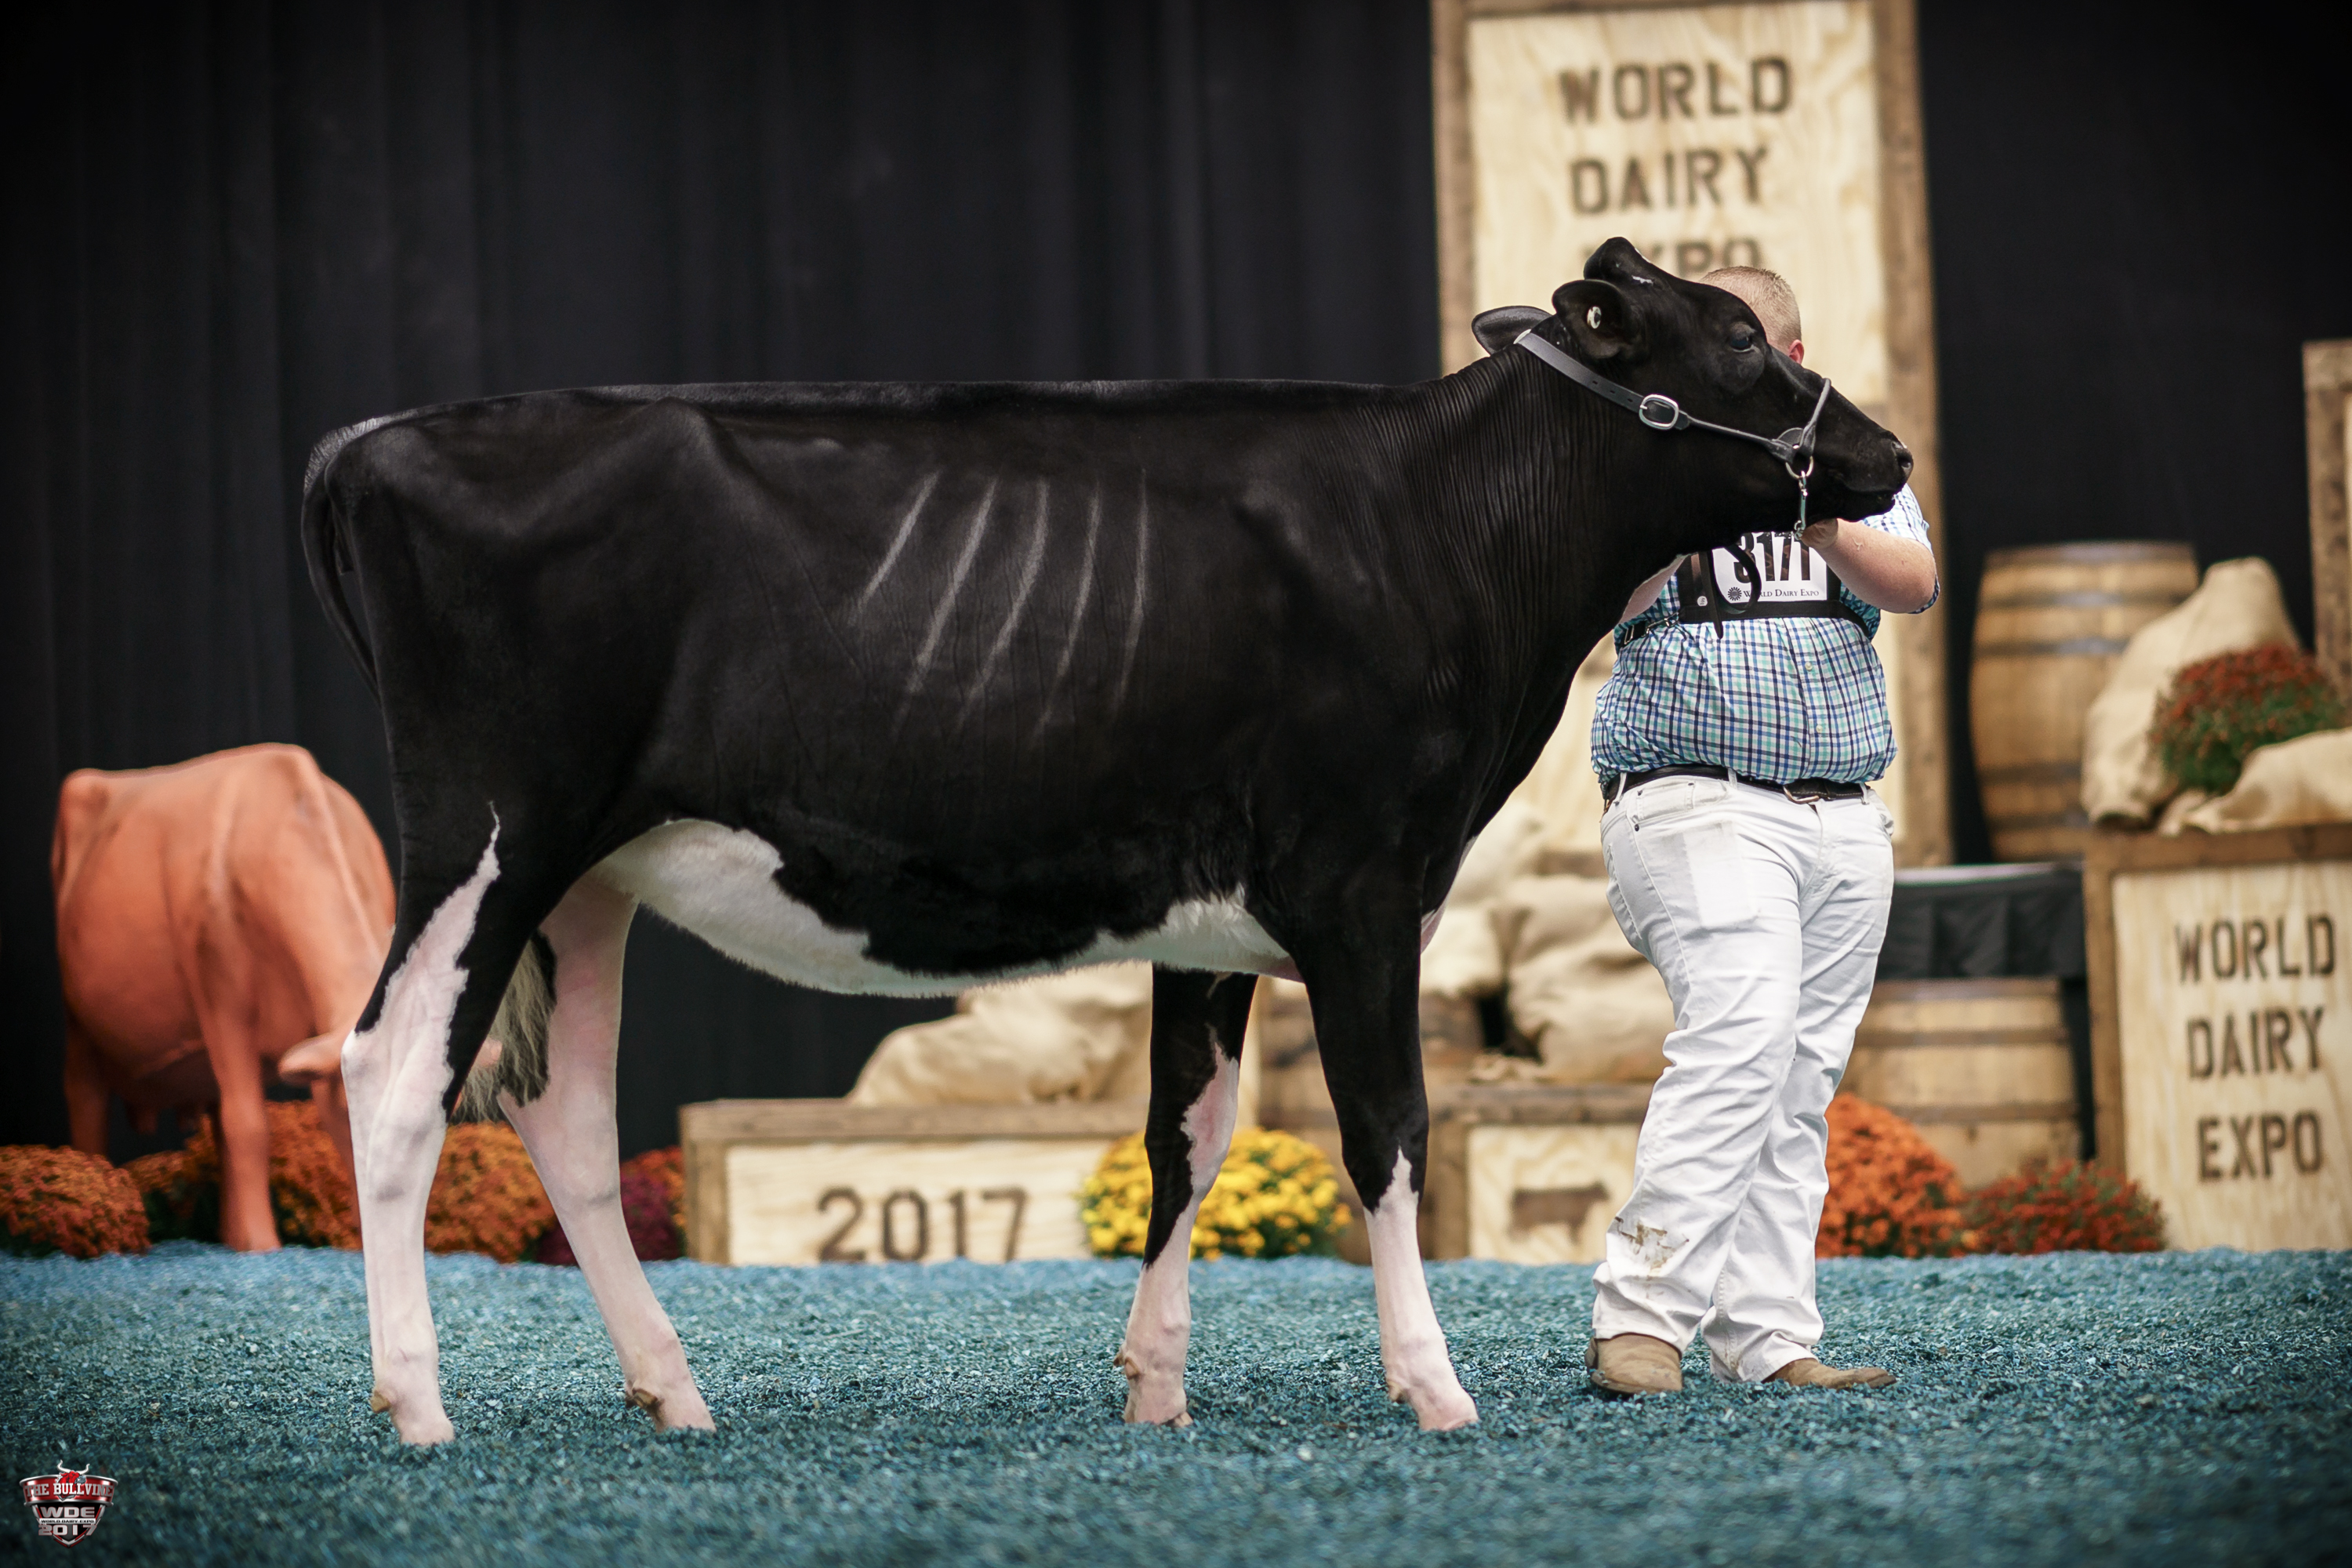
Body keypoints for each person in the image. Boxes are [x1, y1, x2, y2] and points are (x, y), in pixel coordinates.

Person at [1584, 266, 1938, 1396]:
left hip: (1842, 811)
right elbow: (1594, 608)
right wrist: (1689, 502)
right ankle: (1641, 1317)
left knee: (1798, 1079)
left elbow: (1915, 581)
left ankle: (1768, 1338)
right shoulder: (1652, 456)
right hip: (1694, 795)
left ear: (1790, 357)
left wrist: (1812, 513)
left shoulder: (1848, 454)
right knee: (1741, 1033)